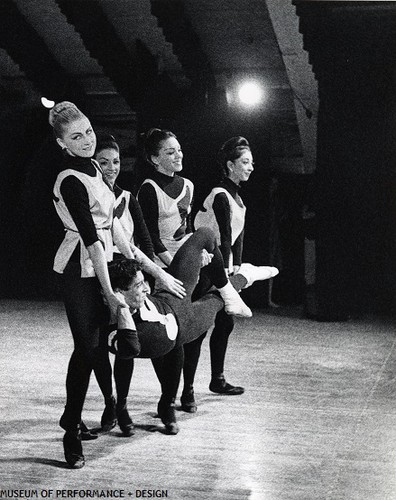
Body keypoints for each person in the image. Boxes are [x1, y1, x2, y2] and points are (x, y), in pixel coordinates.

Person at [50, 102, 185, 469]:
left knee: (115, 343)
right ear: (62, 143)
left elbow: (120, 239)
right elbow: (92, 240)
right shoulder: (70, 179)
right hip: (79, 269)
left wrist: (156, 273)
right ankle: (71, 431)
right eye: (75, 136)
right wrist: (110, 292)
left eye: (88, 132)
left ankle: (113, 408)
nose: (86, 140)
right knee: (86, 349)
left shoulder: (96, 171)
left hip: (107, 263)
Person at [107, 227, 274, 436]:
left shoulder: (143, 291)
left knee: (206, 234)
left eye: (143, 284)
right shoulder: (120, 324)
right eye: (140, 286)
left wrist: (160, 274)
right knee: (213, 302)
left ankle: (167, 404)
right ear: (119, 293)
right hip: (185, 322)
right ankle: (246, 275)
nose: (145, 289)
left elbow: (134, 250)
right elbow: (129, 350)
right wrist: (122, 308)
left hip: (172, 292)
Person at [181, 137, 278, 411]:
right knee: (199, 330)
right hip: (206, 270)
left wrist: (239, 267)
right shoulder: (220, 194)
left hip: (224, 268)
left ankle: (218, 379)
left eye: (251, 162)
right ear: (230, 165)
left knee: (226, 324)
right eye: (245, 162)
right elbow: (222, 238)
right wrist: (226, 278)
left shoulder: (238, 198)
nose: (251, 168)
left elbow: (237, 239)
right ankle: (187, 391)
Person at [137, 128, 194, 268]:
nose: (178, 155)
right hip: (162, 263)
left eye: (179, 150)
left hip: (185, 256)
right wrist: (173, 266)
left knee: (206, 236)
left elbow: (189, 227)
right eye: (170, 152)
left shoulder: (188, 185)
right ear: (155, 159)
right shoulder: (149, 188)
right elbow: (150, 236)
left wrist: (196, 254)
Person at [94, 134, 154, 261]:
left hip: (127, 268)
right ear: (93, 164)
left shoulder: (127, 198)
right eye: (104, 163)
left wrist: (151, 278)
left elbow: (145, 241)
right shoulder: (89, 199)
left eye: (116, 162)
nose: (112, 168)